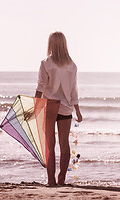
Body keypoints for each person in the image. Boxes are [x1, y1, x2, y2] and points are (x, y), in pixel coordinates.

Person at [35, 31, 82, 186]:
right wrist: (77, 109)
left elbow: (41, 86)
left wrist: (35, 106)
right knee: (64, 144)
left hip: (49, 106)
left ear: (51, 44)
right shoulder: (71, 65)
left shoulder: (46, 63)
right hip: (66, 108)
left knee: (50, 144)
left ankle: (51, 180)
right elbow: (74, 90)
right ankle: (61, 180)